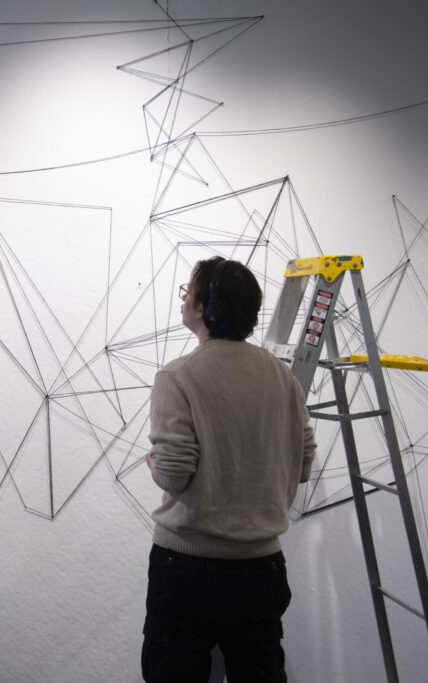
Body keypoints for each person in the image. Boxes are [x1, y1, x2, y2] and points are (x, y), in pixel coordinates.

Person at [142, 256, 316, 682]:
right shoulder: (283, 376)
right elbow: (303, 462)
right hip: (261, 566)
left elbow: (174, 474)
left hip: (187, 567)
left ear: (203, 307)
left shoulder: (178, 375)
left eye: (189, 293)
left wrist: (154, 463)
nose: (185, 299)